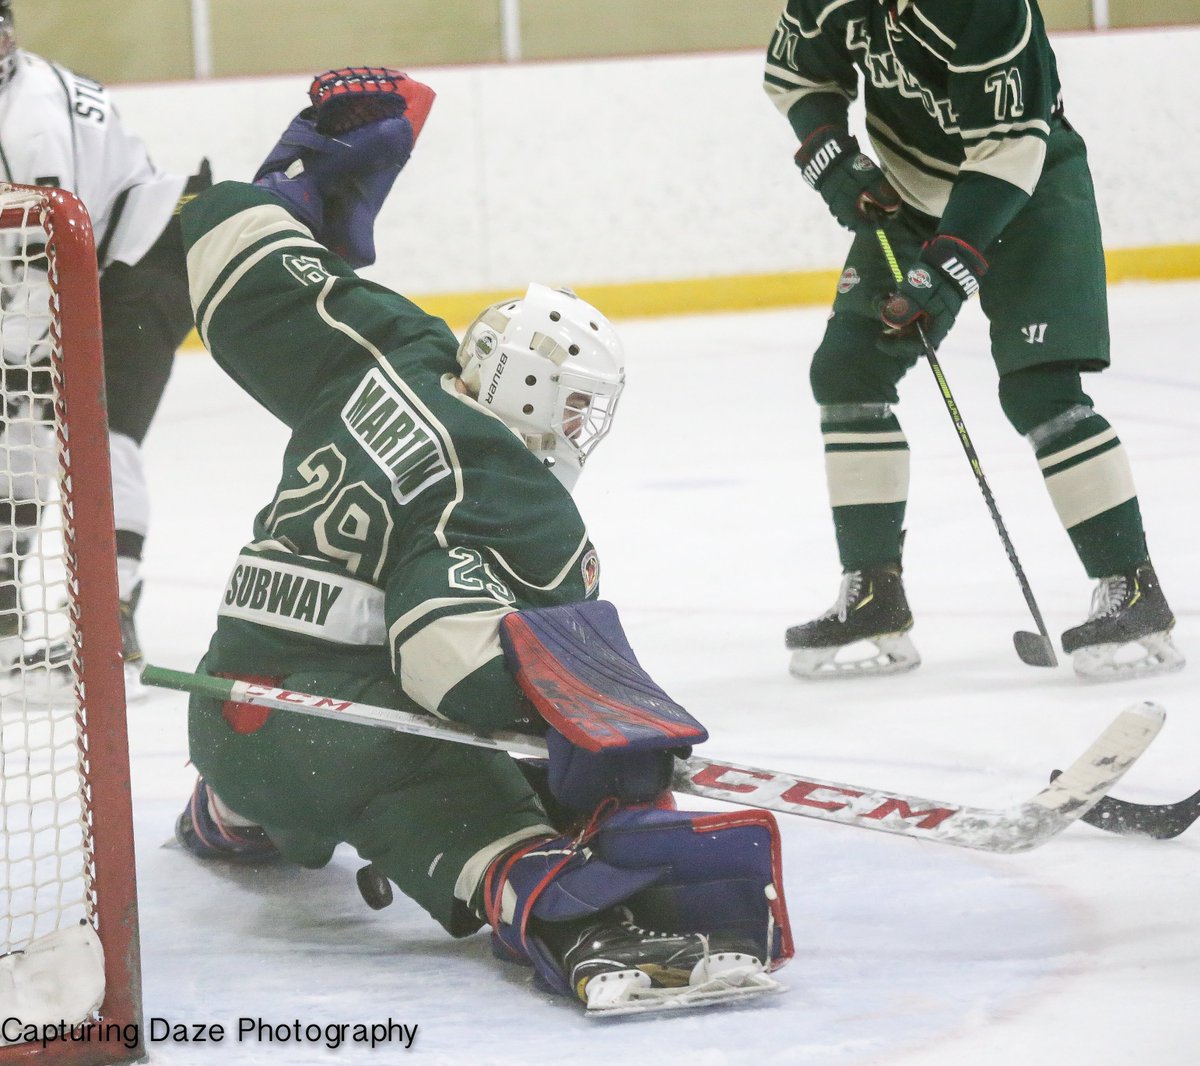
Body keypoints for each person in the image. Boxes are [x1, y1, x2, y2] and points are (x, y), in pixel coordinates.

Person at [171, 67, 792, 1014]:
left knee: (298, 724)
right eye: (576, 407)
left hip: (222, 709)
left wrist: (305, 185)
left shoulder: (393, 345)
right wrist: (581, 732)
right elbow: (443, 664)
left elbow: (229, 258)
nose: (579, 429)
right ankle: (562, 908)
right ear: (535, 395)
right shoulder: (509, 488)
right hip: (334, 741)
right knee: (452, 773)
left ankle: (229, 814)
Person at [763, 0, 1184, 682]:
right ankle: (873, 594)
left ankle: (1133, 589)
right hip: (909, 197)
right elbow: (797, 74)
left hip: (1028, 195)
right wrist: (830, 155)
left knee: (1039, 389)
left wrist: (948, 266)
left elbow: (1013, 145)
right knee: (847, 372)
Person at [0, 0, 210, 687]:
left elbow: (56, 251)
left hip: (145, 256)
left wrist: (20, 360)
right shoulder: (18, 93)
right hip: (98, 259)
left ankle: (108, 626)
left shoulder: (30, 121)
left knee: (98, 436)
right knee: (24, 438)